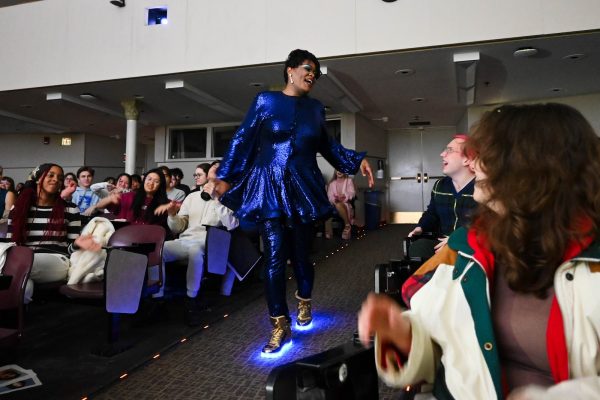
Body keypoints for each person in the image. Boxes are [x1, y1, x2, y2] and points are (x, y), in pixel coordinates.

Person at [358, 103, 600, 400]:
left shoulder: (593, 267)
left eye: (487, 155)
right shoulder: (468, 250)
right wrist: (404, 337)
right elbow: (437, 352)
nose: (475, 164)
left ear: (536, 168)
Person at [216, 49, 374, 354]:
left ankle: (304, 301)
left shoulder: (316, 108)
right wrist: (225, 174)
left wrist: (358, 160)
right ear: (290, 71)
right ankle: (279, 325)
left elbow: (327, 145)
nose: (312, 74)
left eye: (315, 71)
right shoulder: (265, 101)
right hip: (270, 188)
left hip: (302, 187)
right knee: (275, 259)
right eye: (307, 68)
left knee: (302, 256)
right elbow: (242, 137)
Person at [7, 163, 101, 302]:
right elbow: (11, 244)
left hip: (57, 261)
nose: (56, 179)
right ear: (38, 179)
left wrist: (76, 244)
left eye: (60, 177)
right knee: (24, 286)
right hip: (22, 261)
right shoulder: (19, 208)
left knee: (16, 264)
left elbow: (71, 251)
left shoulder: (70, 209)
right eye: (50, 175)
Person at [162, 162, 238, 326]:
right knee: (159, 250)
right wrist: (172, 215)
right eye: (210, 180)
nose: (212, 184)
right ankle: (157, 297)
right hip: (186, 239)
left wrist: (217, 200)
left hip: (212, 243)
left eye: (216, 181)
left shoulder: (229, 198)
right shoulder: (192, 197)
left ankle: (191, 300)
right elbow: (179, 227)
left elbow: (232, 224)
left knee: (196, 251)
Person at [408, 134, 477, 253]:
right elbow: (432, 213)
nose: (442, 154)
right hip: (441, 244)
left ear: (467, 159)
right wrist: (421, 227)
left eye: (449, 150)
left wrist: (455, 240)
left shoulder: (483, 189)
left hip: (470, 245)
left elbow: (487, 226)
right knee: (418, 248)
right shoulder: (440, 185)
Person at [325, 170, 356, 240]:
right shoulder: (332, 183)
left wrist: (345, 196)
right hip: (334, 204)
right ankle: (328, 232)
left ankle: (347, 225)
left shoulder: (349, 181)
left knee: (339, 205)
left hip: (345, 204)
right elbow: (330, 196)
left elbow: (352, 193)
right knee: (327, 209)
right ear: (335, 172)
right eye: (337, 169)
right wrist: (334, 199)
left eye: (341, 169)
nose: (339, 171)